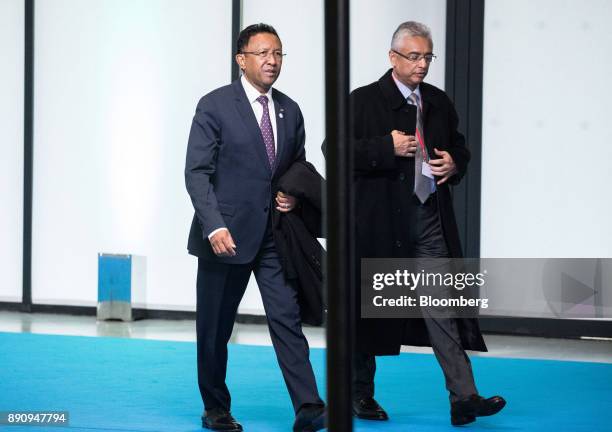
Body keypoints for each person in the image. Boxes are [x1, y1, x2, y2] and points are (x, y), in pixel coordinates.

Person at [347, 21, 506, 426]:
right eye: (414, 57)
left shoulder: (437, 101)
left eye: (427, 57)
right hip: (382, 226)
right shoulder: (363, 101)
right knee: (369, 314)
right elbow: (337, 149)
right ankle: (359, 395)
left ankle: (464, 397)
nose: (422, 65)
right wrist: (387, 147)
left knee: (443, 311)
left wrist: (455, 162)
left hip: (430, 220)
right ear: (392, 57)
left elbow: (460, 146)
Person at [185, 23, 325, 432]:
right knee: (215, 329)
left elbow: (294, 167)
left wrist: (293, 195)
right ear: (241, 58)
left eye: (278, 53)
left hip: (274, 236)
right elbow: (197, 173)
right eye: (263, 53)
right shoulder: (214, 106)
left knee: (287, 318)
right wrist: (214, 227)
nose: (272, 61)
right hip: (224, 237)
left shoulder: (290, 109)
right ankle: (215, 409)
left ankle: (309, 406)